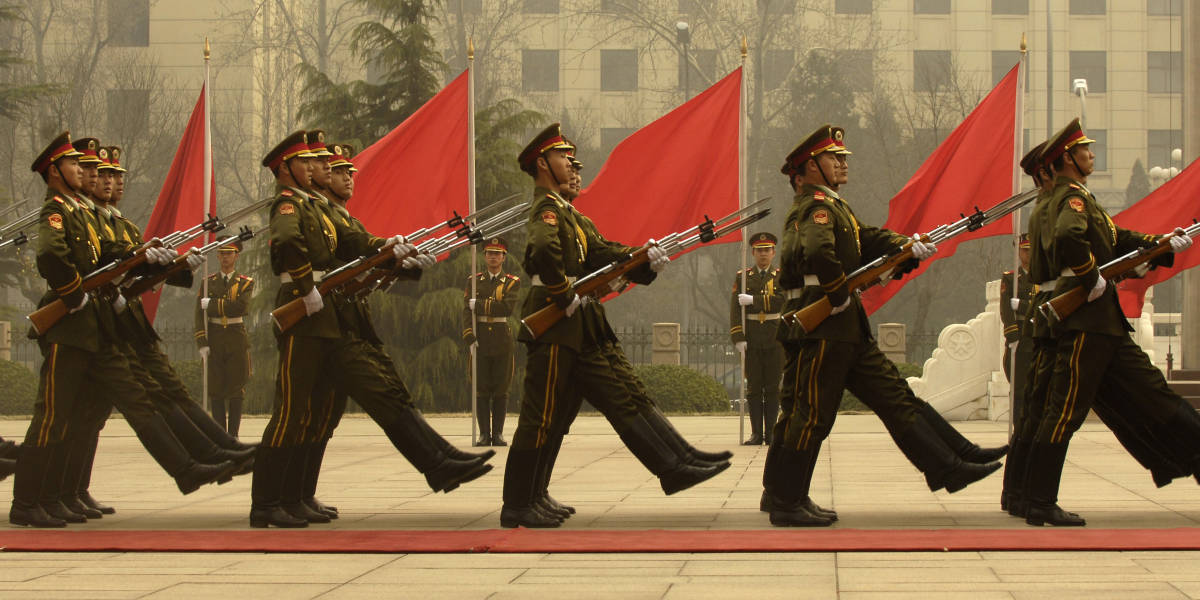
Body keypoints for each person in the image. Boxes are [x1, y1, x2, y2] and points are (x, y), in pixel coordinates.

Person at [765, 125, 1004, 527]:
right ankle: (785, 500)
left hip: (844, 328)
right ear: (808, 167)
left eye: (843, 158)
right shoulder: (814, 208)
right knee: (809, 415)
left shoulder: (835, 207)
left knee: (894, 397)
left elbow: (868, 240)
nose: (843, 163)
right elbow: (819, 253)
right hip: (824, 324)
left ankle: (953, 461)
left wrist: (906, 247)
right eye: (833, 158)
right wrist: (840, 294)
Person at [251, 131, 492, 528]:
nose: (315, 167)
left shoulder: (317, 208)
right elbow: (287, 243)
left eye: (317, 161)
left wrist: (390, 247)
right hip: (305, 314)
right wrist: (306, 287)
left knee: (319, 414)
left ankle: (295, 496)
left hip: (327, 318)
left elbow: (353, 241)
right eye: (307, 161)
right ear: (285, 168)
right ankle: (265, 504)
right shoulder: (288, 205)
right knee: (292, 412)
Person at [500, 124, 729, 529]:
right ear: (541, 163)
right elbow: (540, 250)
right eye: (564, 158)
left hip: (579, 324)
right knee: (540, 416)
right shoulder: (546, 210)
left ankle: (673, 462)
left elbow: (605, 253)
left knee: (598, 403)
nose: (573, 166)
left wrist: (643, 257)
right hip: (556, 324)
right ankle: (518, 503)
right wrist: (560, 291)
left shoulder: (572, 216)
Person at [11, 132, 232, 528]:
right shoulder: (56, 211)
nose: (84, 171)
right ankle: (28, 501)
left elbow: (107, 259)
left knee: (87, 415)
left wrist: (154, 259)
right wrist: (72, 292)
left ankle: (59, 494)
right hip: (68, 329)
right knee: (53, 417)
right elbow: (50, 255)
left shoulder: (82, 213)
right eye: (75, 165)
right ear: (54, 172)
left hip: (94, 328)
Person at [1020, 119, 1199, 526]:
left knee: (1149, 394)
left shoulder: (1067, 199)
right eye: (1085, 150)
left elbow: (1116, 239)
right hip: (1087, 319)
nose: (1092, 154)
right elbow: (1071, 239)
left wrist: (1160, 245)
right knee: (1065, 410)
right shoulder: (1072, 201)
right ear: (1067, 158)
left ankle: (1030, 498)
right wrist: (1092, 277)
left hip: (1096, 321)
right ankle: (1039, 501)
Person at [462, 237, 519, 447]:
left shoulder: (512, 281)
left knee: (501, 389)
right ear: (484, 256)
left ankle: (498, 434)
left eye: (497, 253)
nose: (493, 257)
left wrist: (480, 305)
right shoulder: (474, 280)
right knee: (481, 388)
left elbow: (507, 308)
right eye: (489, 253)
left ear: (504, 257)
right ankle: (484, 434)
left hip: (501, 338)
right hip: (480, 340)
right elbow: (466, 310)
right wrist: (469, 334)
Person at [195, 236, 254, 437]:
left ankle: (234, 434)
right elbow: (198, 314)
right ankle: (220, 435)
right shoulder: (207, 282)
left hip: (236, 337)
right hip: (215, 336)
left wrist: (212, 305)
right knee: (216, 387)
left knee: (236, 387)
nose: (225, 258)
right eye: (221, 253)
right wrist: (202, 341)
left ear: (236, 256)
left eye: (229, 253)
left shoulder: (245, 283)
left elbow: (240, 307)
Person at [730, 232, 784, 445]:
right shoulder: (743, 276)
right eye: (759, 250)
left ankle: (770, 433)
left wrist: (755, 300)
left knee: (772, 387)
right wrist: (738, 336)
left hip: (774, 337)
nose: (763, 254)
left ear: (773, 252)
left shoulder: (781, 276)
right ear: (752, 253)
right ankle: (756, 433)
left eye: (767, 250)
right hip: (752, 337)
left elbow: (782, 300)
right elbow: (735, 309)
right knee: (753, 387)